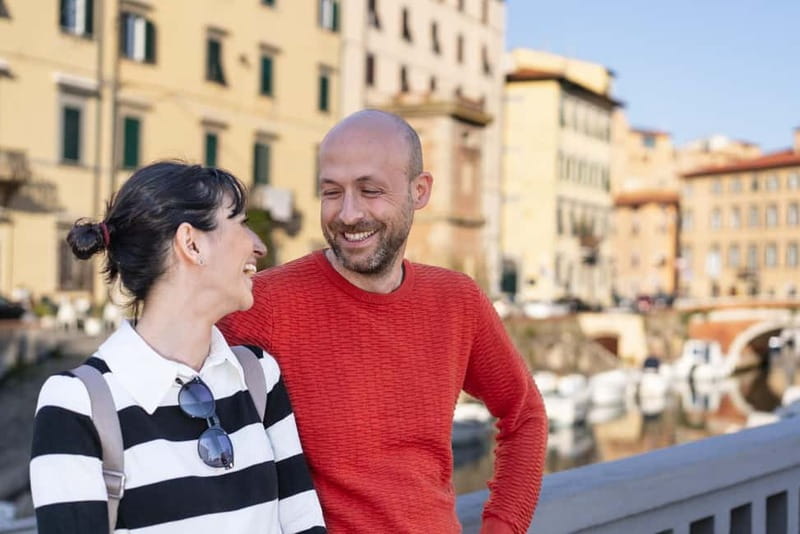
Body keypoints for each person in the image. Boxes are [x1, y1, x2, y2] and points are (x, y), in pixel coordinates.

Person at [219, 110, 548, 533]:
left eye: (370, 190)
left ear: (420, 191)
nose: (348, 213)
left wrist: (503, 526)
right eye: (332, 192)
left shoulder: (458, 300)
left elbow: (525, 416)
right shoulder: (259, 305)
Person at [30, 162, 326, 534]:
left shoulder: (259, 377)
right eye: (240, 221)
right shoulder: (77, 404)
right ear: (192, 243)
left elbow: (305, 526)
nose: (259, 245)